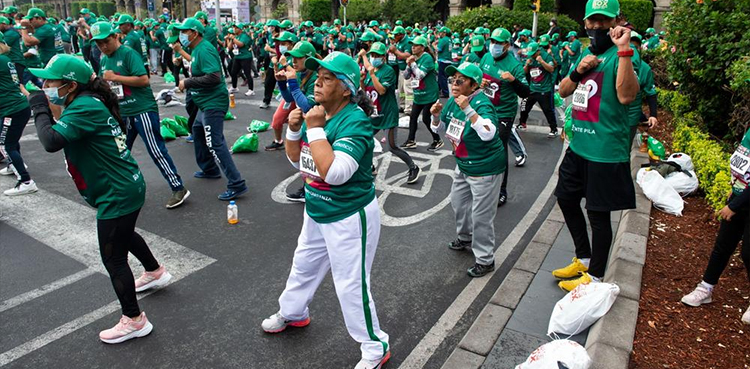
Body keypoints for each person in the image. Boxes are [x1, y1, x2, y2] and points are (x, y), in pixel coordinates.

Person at [29, 54, 173, 344]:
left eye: (50, 81)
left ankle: (134, 320)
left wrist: (38, 106)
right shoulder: (84, 102)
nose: (44, 85)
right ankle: (155, 271)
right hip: (126, 186)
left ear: (70, 85)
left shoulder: (83, 106)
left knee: (113, 258)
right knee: (124, 234)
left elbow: (50, 141)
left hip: (117, 193)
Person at [262, 52, 390, 369]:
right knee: (303, 264)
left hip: (349, 215)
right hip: (317, 209)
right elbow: (300, 162)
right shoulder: (318, 114)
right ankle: (293, 313)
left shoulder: (355, 121)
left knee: (350, 284)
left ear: (346, 88)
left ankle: (375, 346)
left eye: (328, 78)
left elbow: (335, 173)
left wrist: (314, 128)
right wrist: (295, 130)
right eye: (318, 75)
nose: (318, 82)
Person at [553, 0, 639, 291]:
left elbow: (627, 96)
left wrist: (625, 49)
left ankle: (596, 277)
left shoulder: (623, 55)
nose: (597, 26)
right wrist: (578, 70)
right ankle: (585, 258)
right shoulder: (587, 53)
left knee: (598, 215)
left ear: (616, 21)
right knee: (565, 197)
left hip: (604, 152)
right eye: (593, 21)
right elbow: (564, 90)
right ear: (585, 23)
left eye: (604, 21)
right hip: (578, 146)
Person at [92, 21, 189, 209]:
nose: (103, 46)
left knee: (155, 150)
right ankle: (121, 190)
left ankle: (178, 188)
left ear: (115, 36)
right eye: (98, 44)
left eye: (105, 41)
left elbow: (144, 80)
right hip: (123, 113)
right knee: (120, 153)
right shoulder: (104, 59)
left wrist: (115, 78)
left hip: (142, 110)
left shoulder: (128, 54)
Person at [431, 62, 505, 277]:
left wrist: (468, 109)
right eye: (452, 79)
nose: (454, 83)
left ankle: (485, 259)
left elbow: (489, 132)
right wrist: (436, 115)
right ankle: (465, 237)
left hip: (485, 167)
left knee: (481, 215)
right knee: (458, 203)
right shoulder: (454, 102)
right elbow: (440, 129)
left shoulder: (482, 104)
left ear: (473, 85)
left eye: (460, 80)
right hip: (464, 163)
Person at [680, 128, 750, 324]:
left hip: (743, 203)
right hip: (739, 198)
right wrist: (734, 188)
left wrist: (734, 206)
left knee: (748, 253)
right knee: (722, 246)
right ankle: (706, 288)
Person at [175, 18, 248, 201]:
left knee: (215, 142)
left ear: (195, 32)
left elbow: (214, 77)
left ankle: (236, 183)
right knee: (197, 130)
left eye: (185, 32)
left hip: (213, 102)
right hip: (204, 102)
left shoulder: (205, 49)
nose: (182, 35)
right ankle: (210, 169)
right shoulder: (197, 49)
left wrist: (187, 82)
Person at [479, 28, 530, 206]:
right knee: (481, 145)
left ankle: (501, 190)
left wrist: (513, 80)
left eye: (499, 43)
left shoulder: (514, 66)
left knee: (499, 149)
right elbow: (477, 76)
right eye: (492, 41)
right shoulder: (486, 57)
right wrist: (480, 81)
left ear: (507, 45)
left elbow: (525, 92)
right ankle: (483, 182)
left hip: (503, 114)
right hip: (484, 109)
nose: (494, 45)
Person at [362, 42, 421, 184]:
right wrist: (362, 81)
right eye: (372, 55)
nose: (374, 58)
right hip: (374, 114)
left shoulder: (387, 71)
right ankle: (370, 166)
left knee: (392, 147)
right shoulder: (372, 71)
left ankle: (413, 167)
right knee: (363, 140)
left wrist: (372, 74)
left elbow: (381, 91)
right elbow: (367, 92)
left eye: (377, 55)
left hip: (388, 115)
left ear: (384, 57)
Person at [273, 40, 319, 202]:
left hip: (320, 122)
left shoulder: (317, 76)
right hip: (307, 122)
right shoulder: (301, 74)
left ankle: (314, 190)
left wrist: (292, 82)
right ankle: (307, 188)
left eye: (298, 58)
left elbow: (306, 105)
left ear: (309, 58)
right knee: (305, 155)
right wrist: (281, 83)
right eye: (292, 57)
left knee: (313, 157)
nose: (293, 61)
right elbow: (290, 99)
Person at [0, 32, 35, 195]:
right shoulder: (5, 60)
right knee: (10, 141)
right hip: (15, 106)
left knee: (5, 145)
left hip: (11, 108)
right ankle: (13, 165)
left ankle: (26, 180)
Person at [401, 35, 442, 151]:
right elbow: (406, 76)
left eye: (416, 45)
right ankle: (411, 140)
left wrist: (413, 64)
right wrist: (408, 65)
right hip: (418, 94)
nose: (413, 48)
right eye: (412, 45)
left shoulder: (427, 58)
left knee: (425, 118)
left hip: (429, 93)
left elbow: (419, 75)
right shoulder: (413, 58)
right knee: (413, 117)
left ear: (422, 47)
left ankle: (437, 139)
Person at [518, 41, 559, 138]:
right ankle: (522, 123)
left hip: (544, 89)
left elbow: (551, 69)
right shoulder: (530, 58)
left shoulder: (546, 56)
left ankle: (554, 129)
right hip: (532, 88)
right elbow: (523, 72)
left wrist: (541, 61)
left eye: (533, 54)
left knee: (547, 110)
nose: (531, 56)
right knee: (524, 107)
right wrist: (527, 65)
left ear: (538, 51)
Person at [226, 23, 255, 97]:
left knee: (247, 73)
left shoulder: (244, 36)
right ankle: (234, 87)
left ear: (240, 29)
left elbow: (241, 44)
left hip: (245, 57)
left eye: (236, 28)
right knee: (233, 72)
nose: (234, 29)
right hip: (237, 57)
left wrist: (233, 39)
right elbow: (229, 48)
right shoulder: (236, 37)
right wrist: (230, 40)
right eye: (234, 28)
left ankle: (251, 90)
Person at [435, 26, 452, 98]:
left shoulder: (443, 40)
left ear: (444, 33)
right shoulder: (449, 39)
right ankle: (439, 89)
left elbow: (438, 49)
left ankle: (445, 92)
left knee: (442, 77)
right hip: (448, 60)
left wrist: (433, 45)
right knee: (443, 77)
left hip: (443, 60)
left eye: (441, 32)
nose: (440, 34)